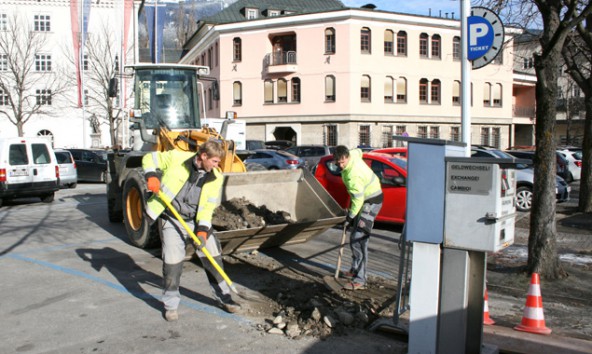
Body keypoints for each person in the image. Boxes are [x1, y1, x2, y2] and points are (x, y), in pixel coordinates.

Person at [142, 140, 241, 321]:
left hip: (196, 221)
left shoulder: (215, 177)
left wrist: (202, 231)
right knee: (172, 262)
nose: (217, 166)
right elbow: (149, 158)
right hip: (172, 217)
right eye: (215, 161)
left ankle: (225, 297)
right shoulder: (176, 157)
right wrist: (151, 175)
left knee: (213, 256)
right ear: (203, 156)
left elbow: (207, 207)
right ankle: (171, 305)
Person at [333, 145, 383, 290]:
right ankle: (354, 270)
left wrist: (349, 217)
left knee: (360, 239)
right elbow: (359, 151)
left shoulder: (353, 176)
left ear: (347, 157)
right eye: (338, 162)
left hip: (371, 201)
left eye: (343, 162)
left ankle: (361, 278)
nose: (341, 165)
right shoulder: (353, 154)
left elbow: (358, 200)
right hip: (365, 198)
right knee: (354, 237)